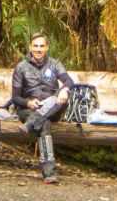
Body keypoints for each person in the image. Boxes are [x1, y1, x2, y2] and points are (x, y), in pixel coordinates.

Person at [9, 32, 74, 184]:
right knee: (43, 123)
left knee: (59, 98)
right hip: (30, 109)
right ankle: (49, 173)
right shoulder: (21, 68)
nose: (38, 49)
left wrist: (64, 90)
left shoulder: (55, 64)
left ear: (47, 48)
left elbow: (69, 81)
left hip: (54, 108)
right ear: (30, 47)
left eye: (42, 46)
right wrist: (28, 103)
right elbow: (15, 98)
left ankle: (31, 123)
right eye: (35, 46)